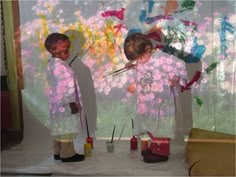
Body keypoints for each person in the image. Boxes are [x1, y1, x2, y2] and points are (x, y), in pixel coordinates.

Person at [123, 32, 187, 163]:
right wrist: (134, 66)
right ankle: (154, 147)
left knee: (161, 126)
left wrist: (175, 78)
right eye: (137, 60)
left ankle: (161, 153)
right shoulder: (144, 58)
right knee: (150, 125)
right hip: (146, 101)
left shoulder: (163, 58)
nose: (140, 61)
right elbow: (146, 69)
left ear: (147, 48)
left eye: (140, 58)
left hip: (161, 102)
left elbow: (180, 65)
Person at [44, 32, 85, 162]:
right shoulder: (61, 67)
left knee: (59, 128)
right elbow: (67, 88)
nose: (68, 53)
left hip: (55, 105)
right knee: (67, 129)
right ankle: (68, 154)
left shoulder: (51, 64)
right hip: (65, 105)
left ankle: (58, 151)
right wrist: (72, 103)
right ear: (53, 50)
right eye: (66, 50)